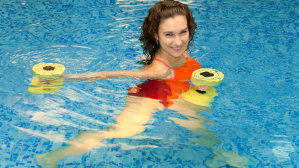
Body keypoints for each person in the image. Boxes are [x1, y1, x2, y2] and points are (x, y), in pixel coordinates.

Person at [35, 1, 211, 167]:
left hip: (175, 92)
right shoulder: (159, 70)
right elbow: (105, 75)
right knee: (120, 132)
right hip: (149, 96)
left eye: (183, 32)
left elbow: (182, 68)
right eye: (169, 35)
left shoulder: (180, 49)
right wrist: (62, 78)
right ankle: (50, 157)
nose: (179, 41)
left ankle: (221, 157)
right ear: (156, 35)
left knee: (200, 126)